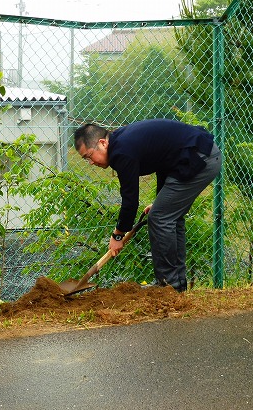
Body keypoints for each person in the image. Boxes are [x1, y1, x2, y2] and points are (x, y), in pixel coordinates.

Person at [73, 118, 221, 293]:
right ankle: (177, 284)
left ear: (103, 143)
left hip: (200, 157)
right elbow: (164, 160)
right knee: (168, 216)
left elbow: (130, 200)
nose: (91, 162)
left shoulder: (122, 152)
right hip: (193, 156)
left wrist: (118, 235)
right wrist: (160, 199)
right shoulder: (121, 143)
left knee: (160, 218)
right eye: (86, 160)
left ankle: (168, 286)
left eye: (89, 156)